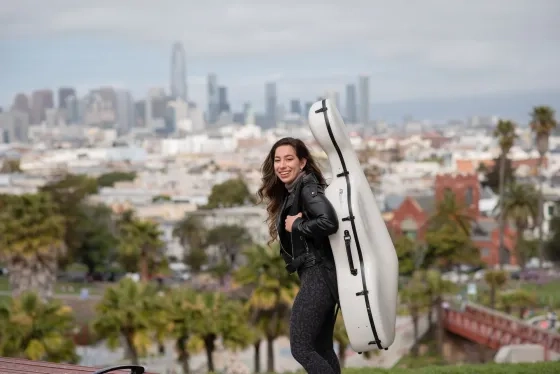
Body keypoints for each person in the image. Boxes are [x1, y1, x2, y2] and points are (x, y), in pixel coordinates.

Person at [257, 137, 341, 374]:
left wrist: (298, 225)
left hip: (318, 276)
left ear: (303, 162)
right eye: (277, 160)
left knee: (301, 347)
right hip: (318, 275)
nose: (282, 165)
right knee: (321, 348)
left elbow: (328, 222)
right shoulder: (296, 190)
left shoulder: (307, 188)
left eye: (289, 159)